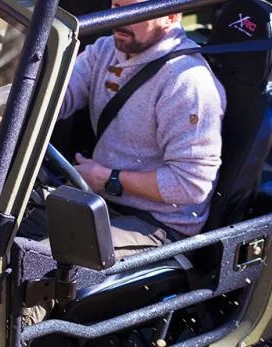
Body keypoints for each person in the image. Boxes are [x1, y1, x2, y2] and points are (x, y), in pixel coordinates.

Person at [21, 0, 226, 258]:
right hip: (100, 198)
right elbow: (60, 93)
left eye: (135, 10)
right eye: (117, 5)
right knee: (5, 223)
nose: (120, 18)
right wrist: (12, 104)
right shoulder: (106, 49)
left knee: (38, 260)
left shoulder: (188, 83)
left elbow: (192, 185)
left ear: (171, 15)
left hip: (156, 223)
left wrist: (108, 179)